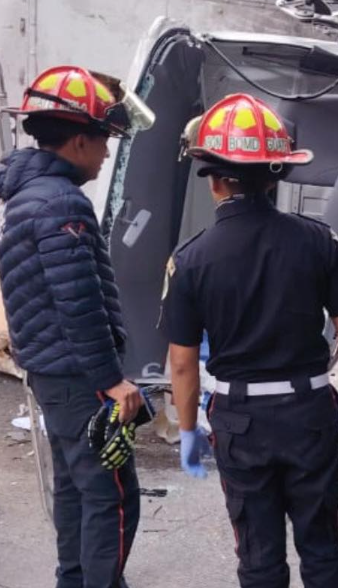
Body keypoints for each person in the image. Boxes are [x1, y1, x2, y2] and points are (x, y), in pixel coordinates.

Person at [160, 93, 338, 587]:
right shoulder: (318, 240)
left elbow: (183, 364)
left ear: (213, 180)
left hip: (239, 424)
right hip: (309, 415)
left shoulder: (190, 260)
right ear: (276, 174)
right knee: (322, 547)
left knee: (258, 556)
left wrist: (190, 429)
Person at [0, 65, 154, 588]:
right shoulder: (61, 202)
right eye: (105, 141)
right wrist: (112, 380)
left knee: (75, 486)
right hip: (77, 374)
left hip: (51, 368)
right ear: (80, 142)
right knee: (112, 496)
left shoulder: (28, 193)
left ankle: (74, 579)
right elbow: (78, 303)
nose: (108, 153)